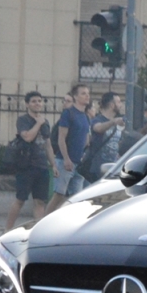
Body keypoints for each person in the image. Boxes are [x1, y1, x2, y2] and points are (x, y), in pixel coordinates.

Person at [5, 91, 57, 231]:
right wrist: (38, 123)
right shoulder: (23, 120)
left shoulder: (45, 122)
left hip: (42, 166)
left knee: (40, 201)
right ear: (27, 104)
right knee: (20, 200)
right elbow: (27, 137)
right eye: (34, 101)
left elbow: (47, 144)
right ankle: (7, 230)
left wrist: (53, 164)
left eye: (39, 101)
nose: (37, 104)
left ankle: (37, 231)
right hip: (26, 166)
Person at [48, 84, 92, 212]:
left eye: (88, 93)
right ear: (75, 97)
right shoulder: (68, 114)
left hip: (79, 163)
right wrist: (66, 158)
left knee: (75, 197)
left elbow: (86, 139)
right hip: (65, 161)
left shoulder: (85, 116)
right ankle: (42, 221)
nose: (87, 96)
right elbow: (61, 138)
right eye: (83, 93)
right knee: (59, 194)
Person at [87, 90, 126, 180]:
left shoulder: (118, 122)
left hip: (113, 167)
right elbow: (98, 128)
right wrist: (113, 122)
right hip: (97, 167)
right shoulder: (98, 119)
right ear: (112, 105)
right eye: (119, 102)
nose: (121, 105)